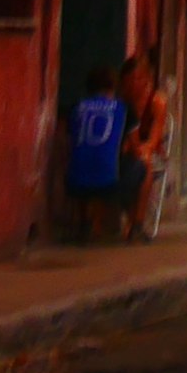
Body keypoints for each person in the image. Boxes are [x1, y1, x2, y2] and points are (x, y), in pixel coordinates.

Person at [65, 67, 125, 243]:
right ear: (113, 86)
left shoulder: (78, 107)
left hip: (75, 179)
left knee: (84, 163)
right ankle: (116, 225)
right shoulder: (119, 108)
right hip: (108, 181)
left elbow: (71, 136)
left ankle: (85, 224)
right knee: (136, 167)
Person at [119, 53, 172, 241]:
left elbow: (155, 138)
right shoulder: (121, 102)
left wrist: (142, 151)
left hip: (150, 151)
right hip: (127, 150)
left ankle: (138, 223)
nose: (134, 84)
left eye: (138, 78)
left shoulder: (157, 102)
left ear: (147, 79)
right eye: (130, 79)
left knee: (145, 166)